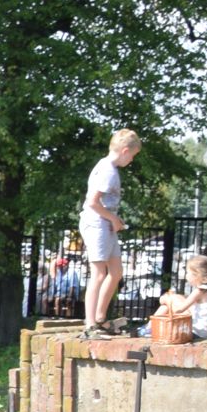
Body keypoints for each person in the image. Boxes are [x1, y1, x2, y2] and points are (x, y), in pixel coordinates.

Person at [80, 129, 141, 332]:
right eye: (132, 156)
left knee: (116, 272)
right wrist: (113, 218)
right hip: (97, 225)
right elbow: (92, 203)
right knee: (98, 273)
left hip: (106, 225)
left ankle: (100, 317)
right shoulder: (107, 170)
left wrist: (114, 220)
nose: (131, 160)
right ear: (124, 151)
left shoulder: (108, 168)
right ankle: (90, 324)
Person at [148, 252, 207, 341]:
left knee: (171, 299)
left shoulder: (200, 290)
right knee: (172, 300)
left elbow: (178, 310)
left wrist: (167, 299)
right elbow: (187, 300)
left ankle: (149, 328)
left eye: (188, 272)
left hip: (196, 332)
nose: (186, 275)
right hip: (203, 332)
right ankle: (150, 327)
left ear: (197, 275)